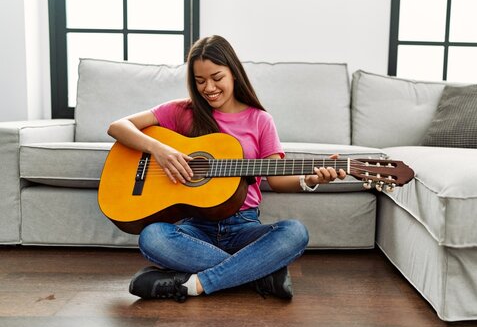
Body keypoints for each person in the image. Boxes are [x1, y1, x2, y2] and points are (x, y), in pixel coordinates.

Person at [107, 35, 346, 302]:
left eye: (217, 77)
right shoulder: (182, 111)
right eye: (200, 81)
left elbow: (277, 180)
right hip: (195, 229)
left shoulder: (260, 120)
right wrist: (159, 149)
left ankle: (195, 283)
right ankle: (259, 273)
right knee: (152, 236)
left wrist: (311, 179)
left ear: (234, 72)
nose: (208, 87)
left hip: (243, 226)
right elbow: (118, 126)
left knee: (295, 233)